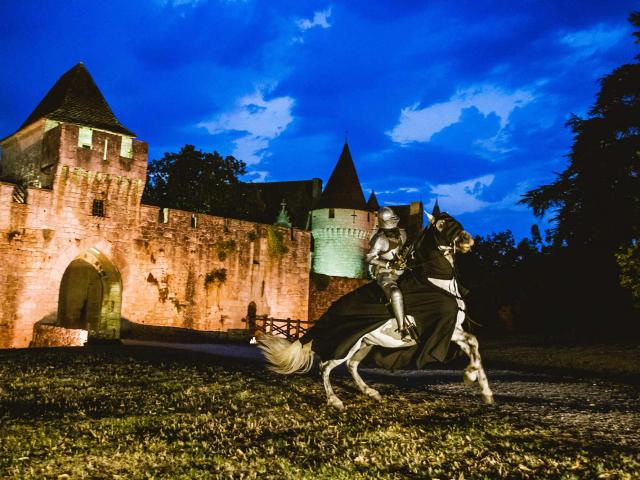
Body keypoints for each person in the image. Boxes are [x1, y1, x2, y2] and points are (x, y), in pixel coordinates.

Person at [365, 207, 416, 341]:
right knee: (395, 293)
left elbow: (405, 251)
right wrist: (388, 264)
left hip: (403, 271)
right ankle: (402, 329)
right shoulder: (379, 239)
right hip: (385, 274)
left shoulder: (402, 234)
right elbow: (369, 258)